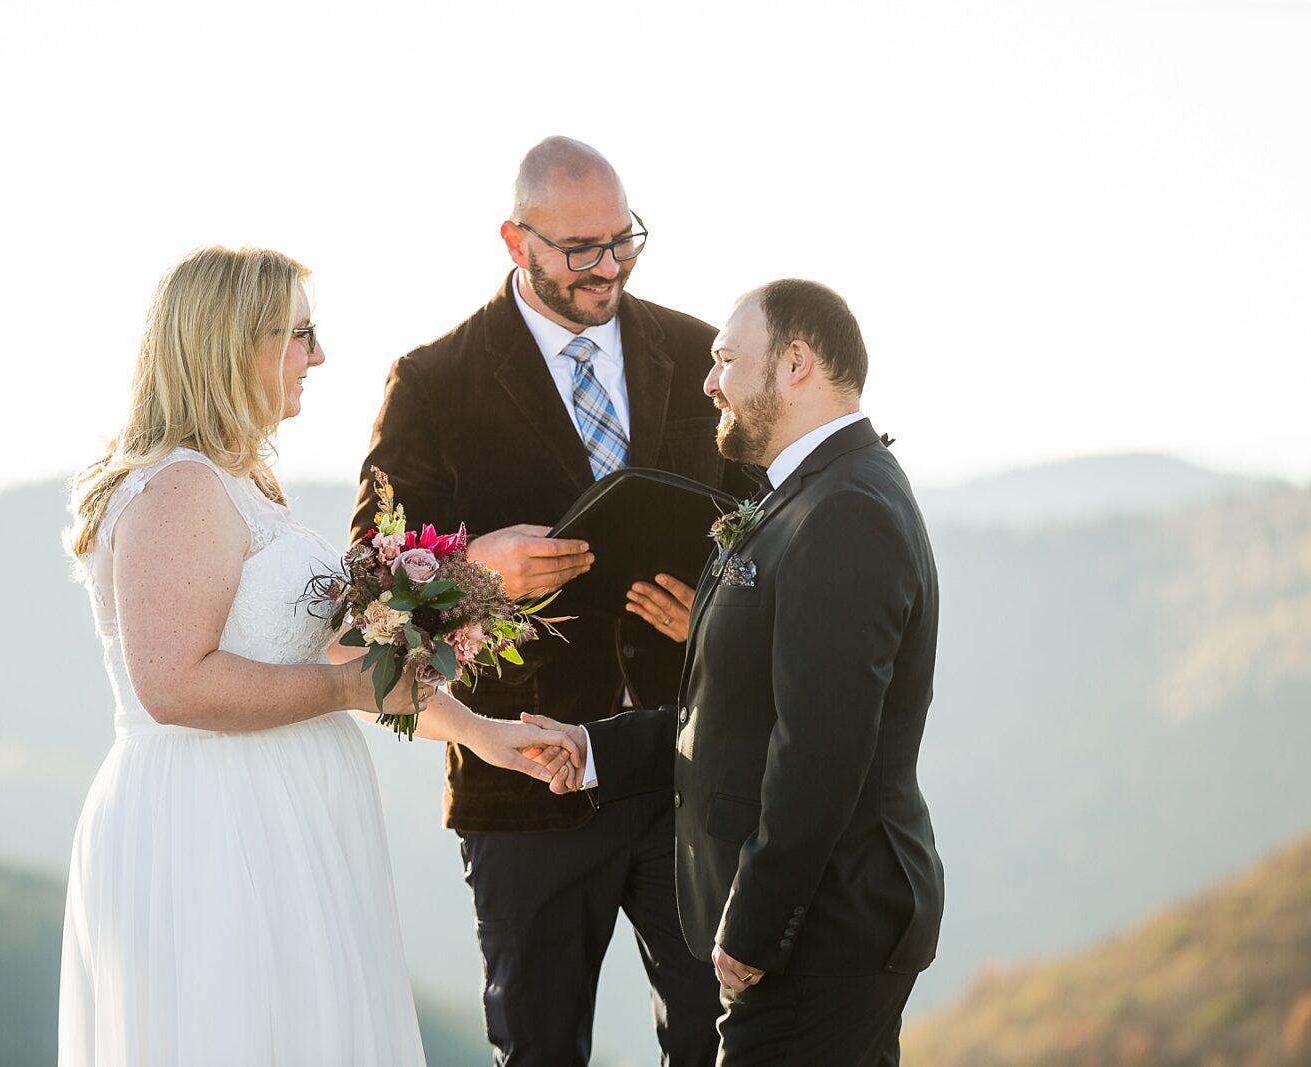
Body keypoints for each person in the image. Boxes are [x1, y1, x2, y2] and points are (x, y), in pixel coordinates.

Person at [57, 245, 578, 1067]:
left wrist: (479, 731)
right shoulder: (182, 487)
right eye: (301, 334)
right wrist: (340, 690)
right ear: (238, 343)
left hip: (286, 813)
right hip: (215, 822)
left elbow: (343, 651)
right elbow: (174, 683)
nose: (319, 356)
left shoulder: (243, 485)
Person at [353, 137, 743, 1066]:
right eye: (580, 250)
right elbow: (363, 596)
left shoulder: (705, 357)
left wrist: (718, 618)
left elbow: (770, 532)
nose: (608, 267)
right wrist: (476, 569)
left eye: (624, 241)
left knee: (722, 1045)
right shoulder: (434, 382)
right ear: (513, 239)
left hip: (690, 773)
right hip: (522, 785)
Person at [528, 279, 945, 1066]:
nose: (709, 381)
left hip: (822, 932)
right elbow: (743, 710)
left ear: (794, 364)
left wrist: (755, 928)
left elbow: (820, 747)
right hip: (815, 930)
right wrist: (593, 749)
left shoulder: (844, 511)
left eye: (725, 360)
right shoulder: (809, 497)